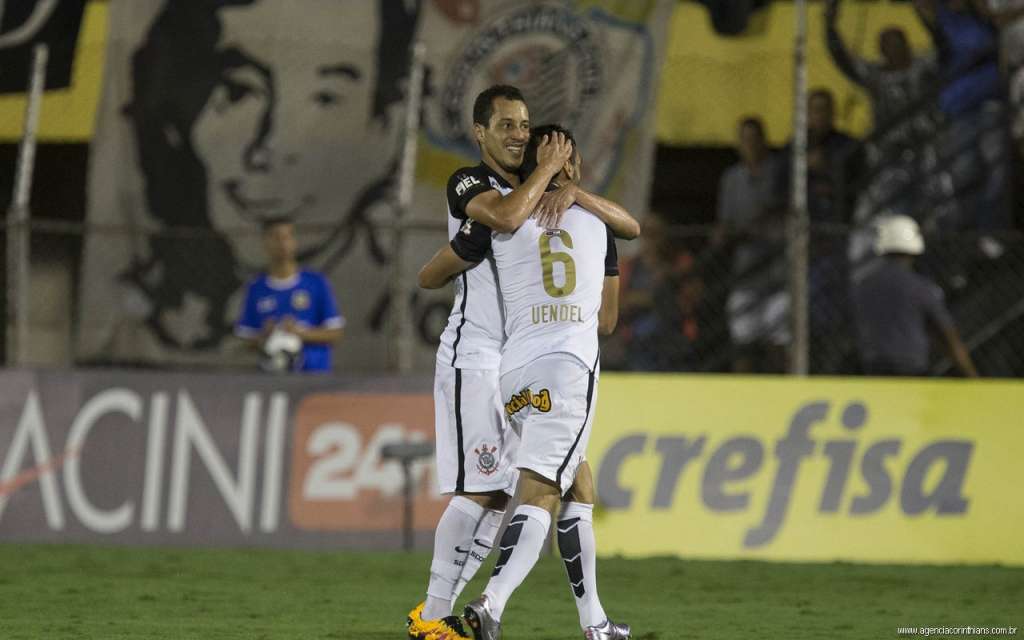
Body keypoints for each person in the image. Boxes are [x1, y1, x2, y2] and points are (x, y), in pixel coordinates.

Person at [410, 87, 638, 640]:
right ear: (480, 131)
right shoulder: (474, 186)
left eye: (524, 125)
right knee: (489, 490)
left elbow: (620, 233)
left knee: (566, 484)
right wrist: (553, 177)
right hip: (476, 351)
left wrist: (565, 187)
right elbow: (496, 228)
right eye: (506, 124)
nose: (517, 133)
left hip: (515, 356)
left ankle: (594, 622)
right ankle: (436, 616)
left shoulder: (545, 204)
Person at [80, 0, 419, 359]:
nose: (268, 148)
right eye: (240, 92)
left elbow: (332, 332)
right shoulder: (157, 292)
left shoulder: (400, 296)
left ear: (387, 128)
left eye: (325, 98)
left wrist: (301, 334)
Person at [852, 215, 978, 377]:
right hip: (912, 372)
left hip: (871, 370)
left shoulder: (863, 286)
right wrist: (972, 376)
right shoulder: (921, 287)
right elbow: (947, 336)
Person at [714, 117, 788, 373]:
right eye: (745, 140)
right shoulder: (732, 178)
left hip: (777, 272)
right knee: (742, 339)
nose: (750, 145)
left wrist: (752, 229)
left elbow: (780, 215)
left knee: (777, 341)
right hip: (745, 272)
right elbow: (726, 222)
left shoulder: (779, 172)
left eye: (755, 139)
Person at [234, 217, 344, 373]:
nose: (282, 244)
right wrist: (265, 336)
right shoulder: (256, 288)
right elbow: (244, 338)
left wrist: (300, 333)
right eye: (276, 237)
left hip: (314, 376)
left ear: (294, 241)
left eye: (287, 237)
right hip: (272, 378)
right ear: (265, 242)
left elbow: (335, 333)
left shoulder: (316, 283)